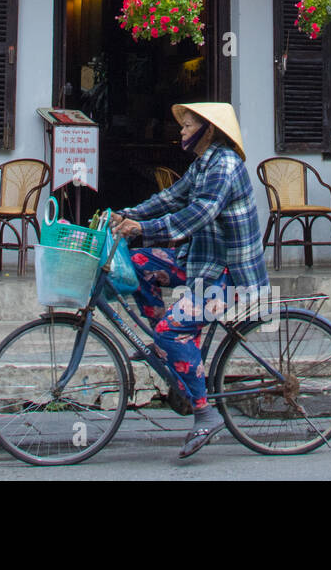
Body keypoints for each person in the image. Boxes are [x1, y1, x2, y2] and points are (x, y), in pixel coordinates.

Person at [109, 102, 268, 459]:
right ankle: (166, 345)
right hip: (202, 262)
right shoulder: (203, 164)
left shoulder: (224, 165)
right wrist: (127, 214)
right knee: (138, 263)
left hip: (230, 274)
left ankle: (204, 413)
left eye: (188, 125)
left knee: (171, 329)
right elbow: (170, 198)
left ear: (207, 130)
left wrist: (143, 228)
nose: (180, 131)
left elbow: (197, 214)